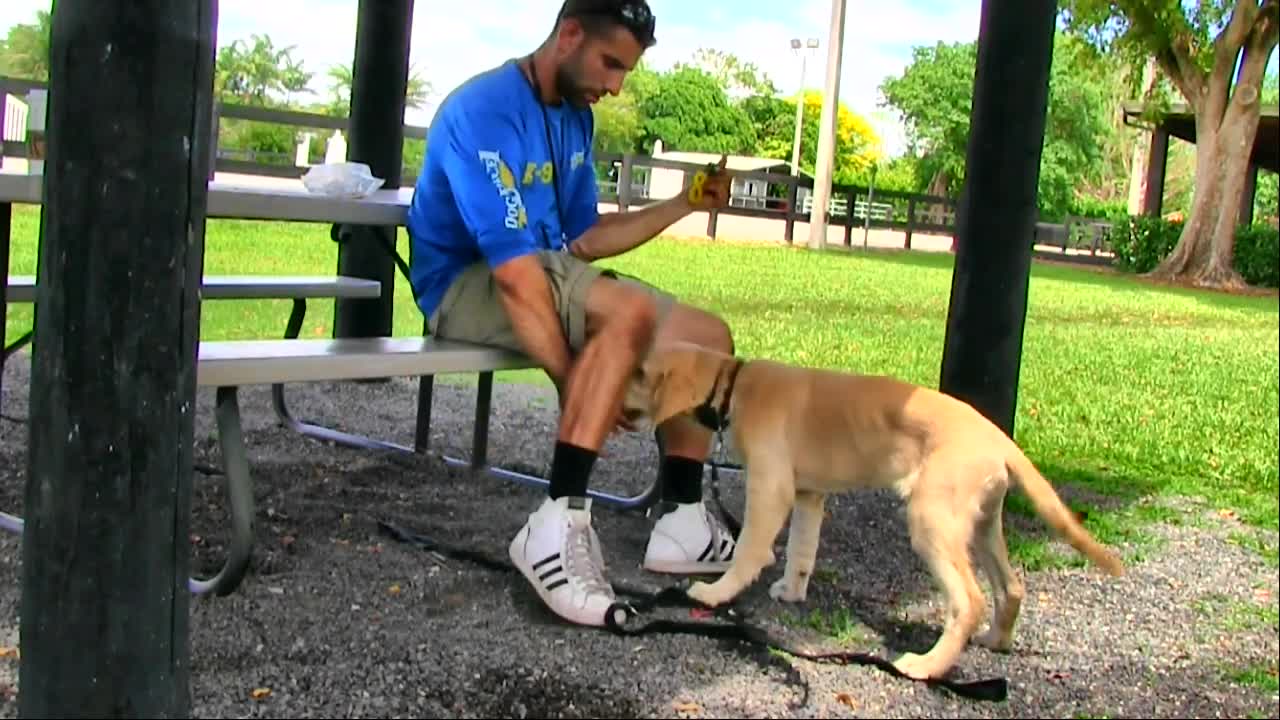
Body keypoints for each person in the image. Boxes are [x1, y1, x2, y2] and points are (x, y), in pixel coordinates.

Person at [405, 0, 738, 628]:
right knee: (628, 312)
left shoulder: (575, 119)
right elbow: (513, 274)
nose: (615, 86)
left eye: (625, 73)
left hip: (544, 272)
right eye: (610, 64)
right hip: (466, 287)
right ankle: (556, 522)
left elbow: (582, 239)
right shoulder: (484, 112)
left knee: (706, 335)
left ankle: (682, 521)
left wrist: (683, 202)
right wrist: (573, 380)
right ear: (569, 34)